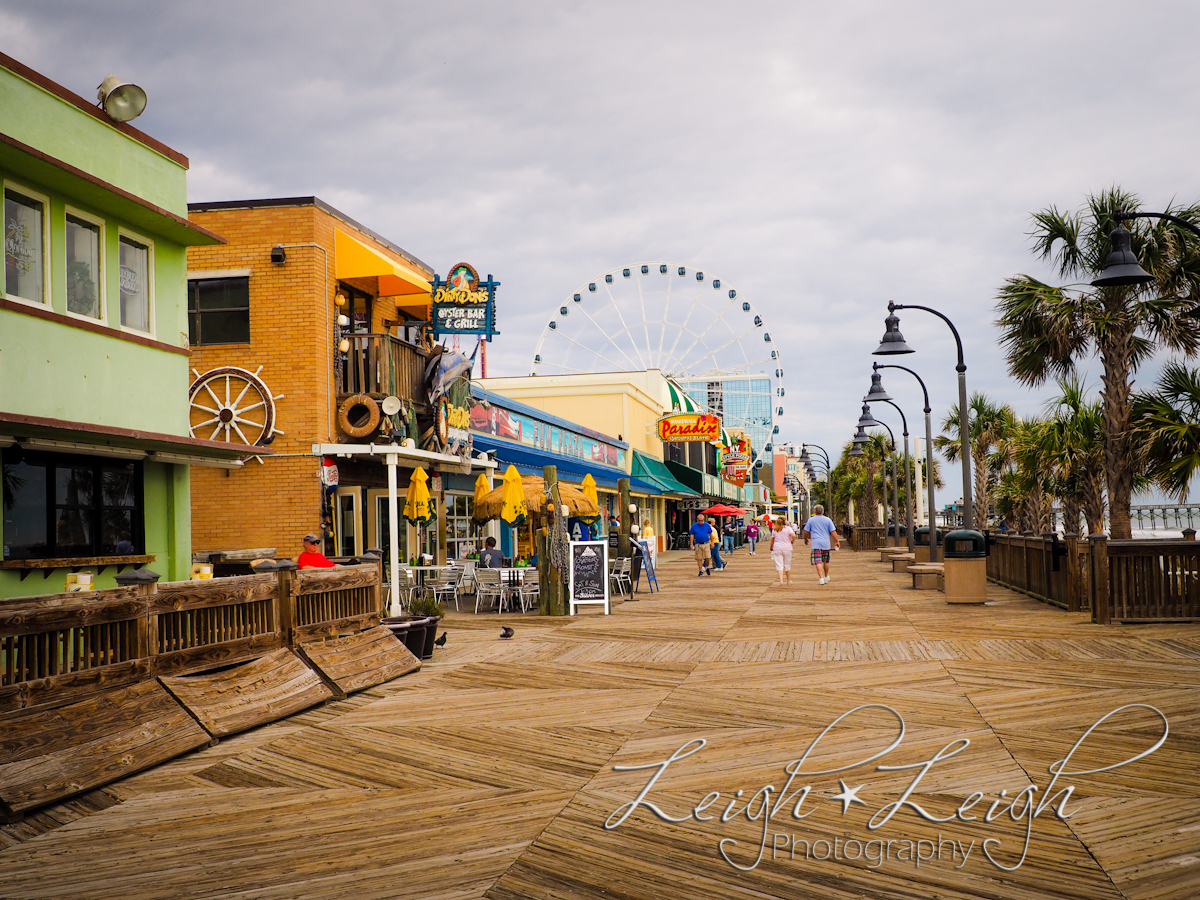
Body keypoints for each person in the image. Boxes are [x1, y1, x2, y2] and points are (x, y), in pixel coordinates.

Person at [802, 504, 841, 584]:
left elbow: (806, 531)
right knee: (826, 561)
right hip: (826, 543)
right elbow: (833, 531)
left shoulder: (811, 520)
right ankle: (826, 576)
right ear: (823, 511)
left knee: (818, 561)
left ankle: (821, 578)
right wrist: (837, 541)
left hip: (816, 543)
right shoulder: (828, 520)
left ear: (815, 511)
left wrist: (806, 539)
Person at [770, 516, 795, 585]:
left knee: (779, 565)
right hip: (787, 548)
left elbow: (772, 540)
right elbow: (794, 535)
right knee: (787, 564)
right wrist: (792, 541)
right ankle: (788, 580)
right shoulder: (788, 529)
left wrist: (771, 547)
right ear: (785, 521)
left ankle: (781, 581)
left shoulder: (775, 529)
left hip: (777, 548)